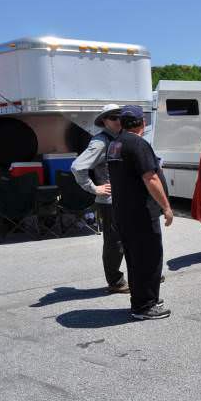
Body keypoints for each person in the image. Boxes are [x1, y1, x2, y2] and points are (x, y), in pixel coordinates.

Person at [107, 105, 174, 320]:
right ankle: (144, 306)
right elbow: (150, 178)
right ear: (142, 123)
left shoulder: (115, 144)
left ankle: (144, 297)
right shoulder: (138, 143)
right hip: (141, 213)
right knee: (148, 258)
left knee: (135, 258)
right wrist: (166, 207)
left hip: (124, 212)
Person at [71, 104, 128, 294]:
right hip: (110, 202)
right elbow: (78, 167)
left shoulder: (120, 138)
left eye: (120, 117)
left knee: (130, 239)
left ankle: (139, 274)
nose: (118, 120)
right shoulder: (100, 142)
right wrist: (95, 188)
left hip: (124, 200)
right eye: (113, 117)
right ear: (104, 121)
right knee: (114, 244)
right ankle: (115, 282)